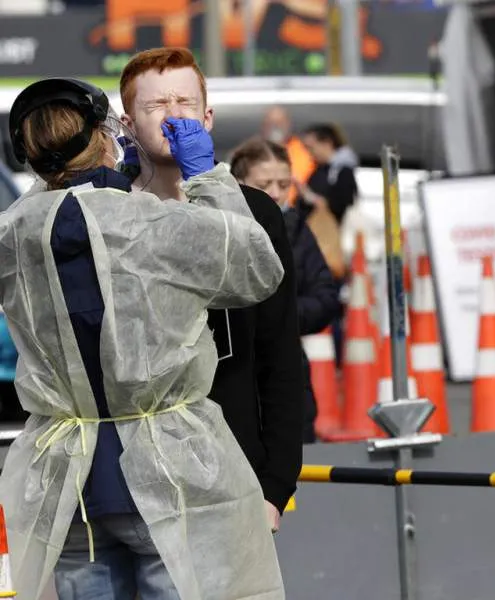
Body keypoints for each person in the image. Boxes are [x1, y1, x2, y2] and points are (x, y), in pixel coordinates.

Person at [0, 77, 285, 599]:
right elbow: (255, 270)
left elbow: (57, 211)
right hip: (171, 475)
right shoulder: (152, 221)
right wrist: (208, 177)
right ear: (108, 135)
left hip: (68, 487)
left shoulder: (12, 235)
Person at [118, 47, 304, 536]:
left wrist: (275, 487)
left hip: (234, 469)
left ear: (208, 117)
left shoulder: (255, 212)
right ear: (127, 124)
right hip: (130, 480)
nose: (174, 116)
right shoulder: (107, 211)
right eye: (156, 106)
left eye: (185, 103)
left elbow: (280, 354)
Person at [230, 137, 340, 443]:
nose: (276, 193)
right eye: (265, 184)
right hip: (232, 379)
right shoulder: (221, 230)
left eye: (284, 183)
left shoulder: (296, 228)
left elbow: (326, 297)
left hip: (287, 374)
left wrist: (280, 317)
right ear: (237, 183)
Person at [299, 123, 359, 225]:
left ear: (327, 143)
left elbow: (343, 203)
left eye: (311, 147)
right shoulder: (321, 168)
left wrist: (311, 198)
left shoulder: (342, 170)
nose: (309, 153)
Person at [262, 106, 316, 206]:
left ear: (288, 124)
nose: (275, 126)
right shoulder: (254, 152)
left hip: (296, 211)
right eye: (271, 123)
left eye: (280, 122)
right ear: (264, 126)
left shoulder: (305, 151)